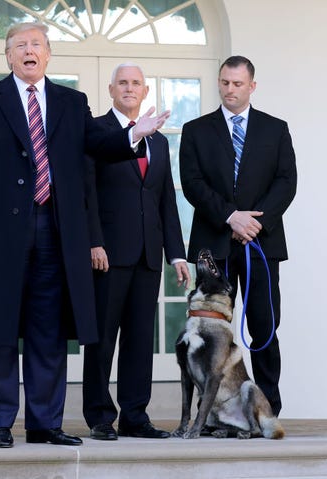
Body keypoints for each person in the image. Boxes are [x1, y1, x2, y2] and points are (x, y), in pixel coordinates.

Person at [0, 23, 169, 448]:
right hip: (1, 233)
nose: (28, 50)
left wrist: (134, 133)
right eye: (20, 45)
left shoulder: (71, 102)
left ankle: (45, 423)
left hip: (58, 231)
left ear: (48, 55)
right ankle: (1, 423)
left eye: (36, 44)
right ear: (8, 56)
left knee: (49, 329)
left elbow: (100, 142)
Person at [179, 55, 297, 416]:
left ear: (252, 86)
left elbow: (286, 181)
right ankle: (212, 413)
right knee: (211, 333)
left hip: (261, 243)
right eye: (225, 83)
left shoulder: (275, 129)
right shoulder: (196, 129)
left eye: (237, 84)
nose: (230, 90)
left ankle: (267, 410)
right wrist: (231, 217)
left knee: (264, 327)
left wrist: (253, 223)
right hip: (213, 245)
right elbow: (192, 183)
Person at [83, 63, 191, 441]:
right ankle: (99, 416)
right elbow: (88, 193)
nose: (129, 89)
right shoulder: (95, 130)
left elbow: (165, 199)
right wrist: (94, 241)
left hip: (148, 254)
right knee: (102, 339)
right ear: (111, 89)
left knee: (140, 338)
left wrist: (176, 254)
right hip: (108, 254)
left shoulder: (159, 141)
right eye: (122, 83)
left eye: (136, 84)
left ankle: (134, 416)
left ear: (145, 92)